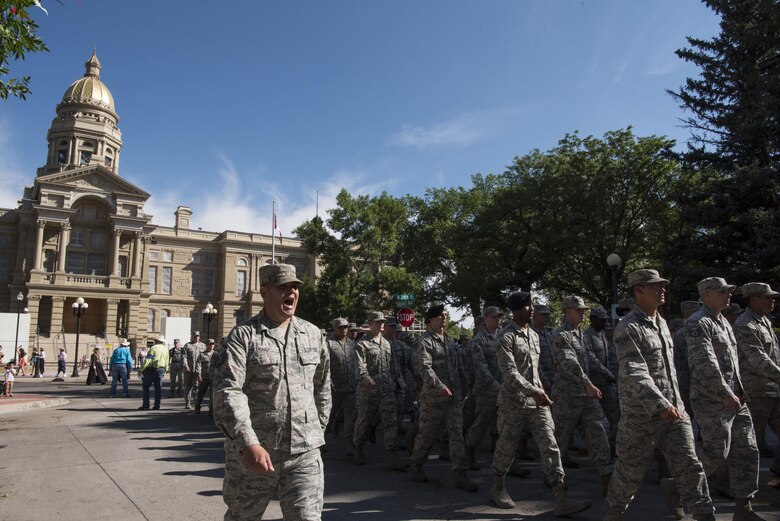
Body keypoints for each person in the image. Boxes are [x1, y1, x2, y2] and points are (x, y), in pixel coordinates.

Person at [212, 263, 331, 521]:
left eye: (295, 287)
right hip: (253, 456)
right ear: (265, 292)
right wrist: (248, 443)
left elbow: (323, 387)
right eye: (283, 287)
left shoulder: (313, 334)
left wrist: (315, 431)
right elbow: (228, 391)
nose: (292, 292)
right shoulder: (243, 336)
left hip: (304, 455)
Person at [603, 269, 715, 521]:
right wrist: (661, 404)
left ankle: (705, 515)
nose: (662, 289)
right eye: (654, 286)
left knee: (691, 467)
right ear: (638, 291)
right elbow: (635, 371)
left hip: (675, 413)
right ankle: (613, 514)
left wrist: (675, 404)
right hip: (642, 417)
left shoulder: (662, 323)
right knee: (628, 473)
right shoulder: (628, 327)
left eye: (662, 285)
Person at [490, 291, 592, 516]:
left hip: (538, 403)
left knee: (550, 444)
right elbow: (510, 373)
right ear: (517, 310)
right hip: (513, 402)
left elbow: (534, 370)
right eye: (528, 306)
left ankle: (560, 496)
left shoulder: (534, 335)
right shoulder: (505, 337)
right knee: (507, 447)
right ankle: (497, 485)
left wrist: (546, 386)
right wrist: (534, 390)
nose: (532, 309)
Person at [685, 277, 764, 520]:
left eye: (729, 290)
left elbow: (733, 363)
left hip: (736, 399)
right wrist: (724, 393)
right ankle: (681, 486)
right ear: (707, 295)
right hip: (713, 400)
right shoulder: (698, 323)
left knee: (748, 451)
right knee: (716, 453)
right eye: (723, 291)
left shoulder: (723, 322)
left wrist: (737, 392)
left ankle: (744, 508)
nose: (729, 294)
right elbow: (705, 363)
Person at [410, 304, 477, 492]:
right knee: (427, 434)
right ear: (431, 319)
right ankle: (416, 464)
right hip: (433, 398)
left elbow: (458, 366)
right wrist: (439, 386)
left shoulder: (449, 341)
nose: (444, 317)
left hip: (453, 398)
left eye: (445, 314)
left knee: (457, 433)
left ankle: (460, 473)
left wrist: (465, 385)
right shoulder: (424, 342)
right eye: (440, 315)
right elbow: (424, 368)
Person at [551, 295, 613, 493]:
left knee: (599, 430)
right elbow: (569, 362)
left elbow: (590, 358)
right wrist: (587, 383)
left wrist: (607, 374)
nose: (583, 313)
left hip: (586, 396)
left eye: (584, 310)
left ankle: (607, 477)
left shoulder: (582, 335)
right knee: (559, 439)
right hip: (567, 396)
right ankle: (553, 478)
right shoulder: (561, 335)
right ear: (567, 312)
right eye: (579, 310)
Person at [733, 282, 780, 477]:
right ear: (753, 300)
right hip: (755, 393)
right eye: (767, 297)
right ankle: (729, 482)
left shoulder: (764, 321)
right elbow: (757, 358)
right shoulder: (745, 324)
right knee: (748, 443)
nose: (773, 301)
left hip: (773, 390)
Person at [353, 311, 408, 471]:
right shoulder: (362, 344)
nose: (381, 324)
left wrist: (398, 384)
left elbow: (392, 366)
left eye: (383, 321)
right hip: (368, 391)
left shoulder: (386, 343)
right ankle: (358, 448)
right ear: (370, 323)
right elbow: (359, 366)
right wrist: (366, 377)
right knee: (365, 421)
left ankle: (392, 457)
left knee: (391, 421)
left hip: (387, 389)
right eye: (378, 321)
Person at [465, 306, 503, 470]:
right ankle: (468, 449)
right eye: (494, 317)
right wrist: (493, 383)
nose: (498, 319)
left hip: (504, 387)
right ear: (486, 319)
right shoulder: (478, 340)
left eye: (499, 317)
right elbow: (480, 367)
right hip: (486, 389)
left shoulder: (503, 336)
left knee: (505, 423)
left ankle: (507, 458)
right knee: (482, 422)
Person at [583, 307, 619, 451]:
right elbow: (591, 359)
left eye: (606, 319)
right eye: (602, 319)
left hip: (608, 384)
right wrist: (607, 374)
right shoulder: (587, 336)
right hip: (594, 383)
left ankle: (611, 447)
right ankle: (601, 450)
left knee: (615, 416)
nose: (605, 321)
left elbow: (610, 357)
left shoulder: (603, 335)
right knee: (596, 421)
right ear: (593, 319)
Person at [326, 317, 358, 456]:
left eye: (345, 327)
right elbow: (323, 366)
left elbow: (357, 364)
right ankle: (320, 440)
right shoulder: (328, 344)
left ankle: (350, 443)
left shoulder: (352, 344)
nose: (344, 330)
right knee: (328, 416)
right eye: (340, 327)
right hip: (334, 387)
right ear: (334, 328)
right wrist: (328, 382)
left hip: (350, 386)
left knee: (351, 415)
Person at [673, 300, 701, 419]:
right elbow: (690, 357)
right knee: (687, 413)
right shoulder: (683, 332)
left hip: (696, 377)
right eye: (694, 311)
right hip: (687, 378)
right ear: (685, 312)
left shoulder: (696, 329)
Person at [139, 335, 169, 410]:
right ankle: (157, 405)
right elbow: (167, 362)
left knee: (146, 386)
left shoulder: (153, 348)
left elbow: (148, 360)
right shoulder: (166, 349)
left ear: (156, 341)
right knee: (158, 388)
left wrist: (141, 369)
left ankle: (146, 404)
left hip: (151, 369)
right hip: (161, 369)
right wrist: (165, 371)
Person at [532, 304, 555, 394]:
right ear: (534, 316)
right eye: (543, 314)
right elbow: (535, 361)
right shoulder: (531, 334)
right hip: (540, 380)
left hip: (554, 378)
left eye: (547, 314)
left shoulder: (549, 333)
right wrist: (544, 380)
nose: (546, 317)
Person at [182, 331, 206, 409]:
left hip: (198, 370)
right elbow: (184, 356)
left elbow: (205, 357)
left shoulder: (203, 346)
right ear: (192, 336)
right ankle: (188, 402)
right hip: (189, 370)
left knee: (197, 386)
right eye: (195, 336)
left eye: (198, 336)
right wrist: (185, 365)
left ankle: (196, 403)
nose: (196, 337)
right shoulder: (187, 345)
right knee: (188, 387)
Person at [194, 339, 216, 414]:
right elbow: (198, 365)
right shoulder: (202, 355)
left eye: (213, 344)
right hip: (204, 377)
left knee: (212, 394)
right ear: (207, 345)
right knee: (201, 393)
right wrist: (199, 375)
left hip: (213, 377)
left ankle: (211, 410)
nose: (211, 346)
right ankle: (197, 406)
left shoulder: (216, 355)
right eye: (210, 344)